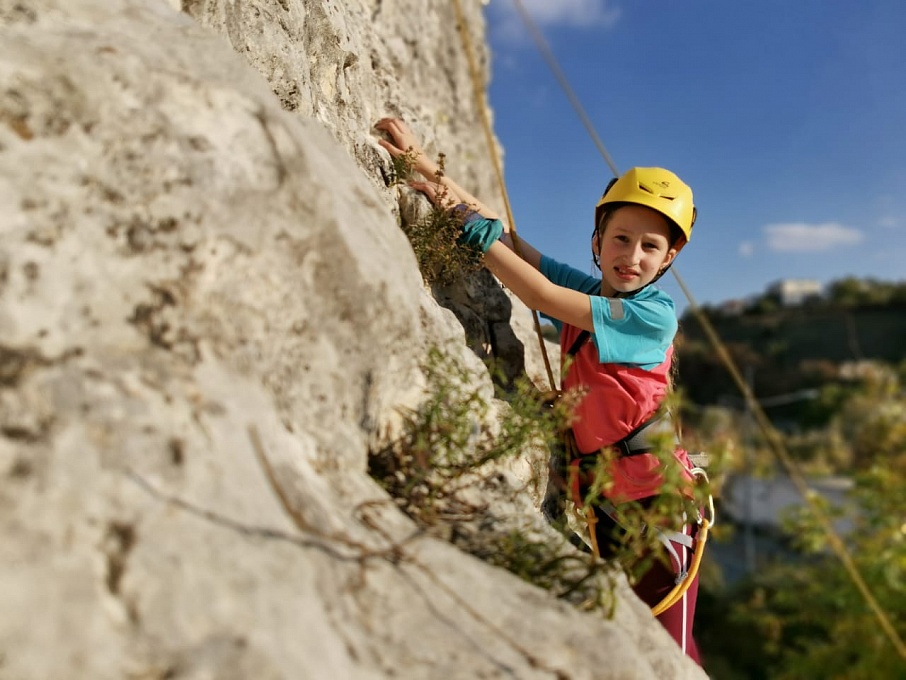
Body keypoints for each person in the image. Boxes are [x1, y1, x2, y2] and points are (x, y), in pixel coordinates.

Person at [376, 117, 705, 663]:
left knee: (671, 653)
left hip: (659, 514)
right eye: (621, 239)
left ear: (668, 259)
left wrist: (458, 219)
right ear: (598, 242)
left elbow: (542, 296)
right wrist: (425, 169)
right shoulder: (598, 289)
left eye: (651, 246)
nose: (633, 255)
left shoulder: (652, 315)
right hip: (614, 503)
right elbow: (513, 244)